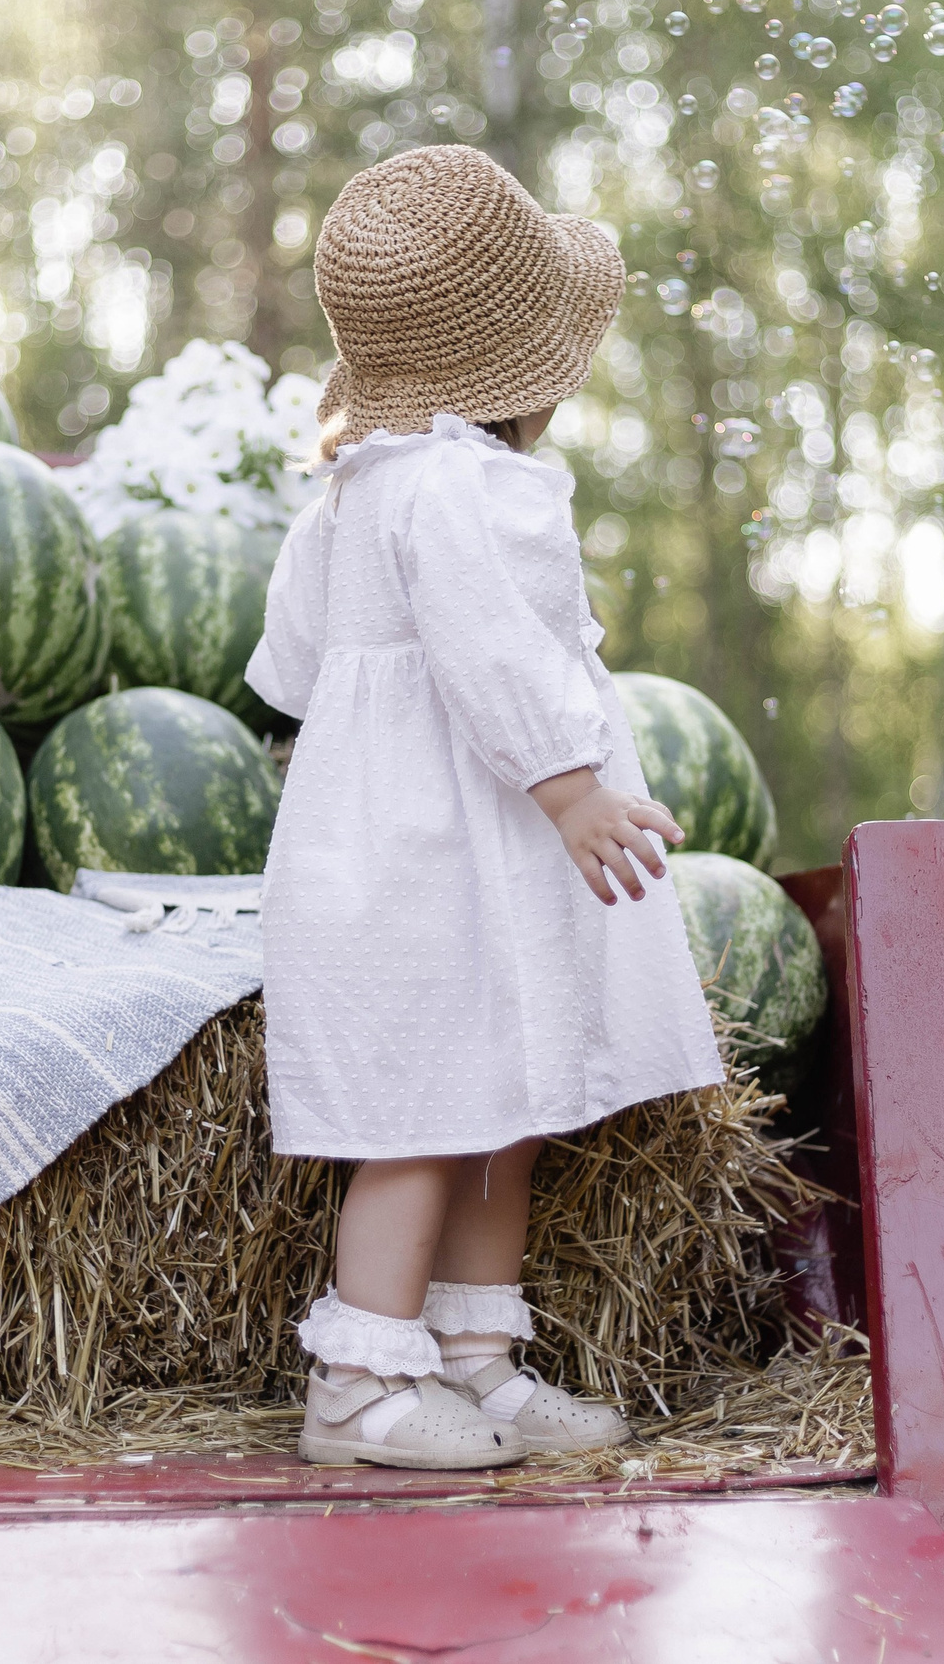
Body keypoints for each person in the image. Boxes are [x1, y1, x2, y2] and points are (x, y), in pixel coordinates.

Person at [244, 145, 726, 1471]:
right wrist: (573, 787)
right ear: (530, 359)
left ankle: (474, 1360)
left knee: (500, 1098)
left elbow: (290, 667)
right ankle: (356, 1383)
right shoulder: (442, 487)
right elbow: (485, 651)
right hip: (432, 853)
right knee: (417, 1117)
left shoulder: (363, 486)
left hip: (445, 846)